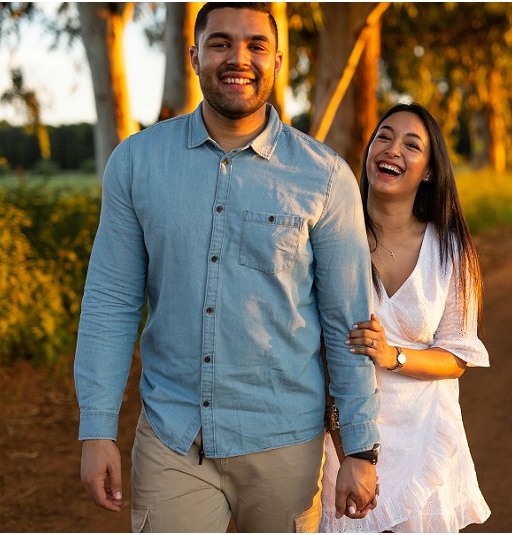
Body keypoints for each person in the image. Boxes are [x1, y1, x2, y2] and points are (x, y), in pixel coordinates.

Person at [74, 3, 380, 532]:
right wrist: (97, 427)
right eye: (220, 43)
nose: (238, 58)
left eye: (256, 45)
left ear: (278, 61)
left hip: (285, 442)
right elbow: (111, 301)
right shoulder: (136, 162)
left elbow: (346, 324)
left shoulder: (325, 177)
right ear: (193, 56)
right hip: (174, 436)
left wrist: (360, 447)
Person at [320, 103, 491, 533]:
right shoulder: (332, 235)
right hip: (343, 441)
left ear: (429, 170)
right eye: (383, 137)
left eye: (411, 145)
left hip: (423, 437)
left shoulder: (450, 249)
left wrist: (392, 354)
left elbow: (458, 357)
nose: (392, 149)